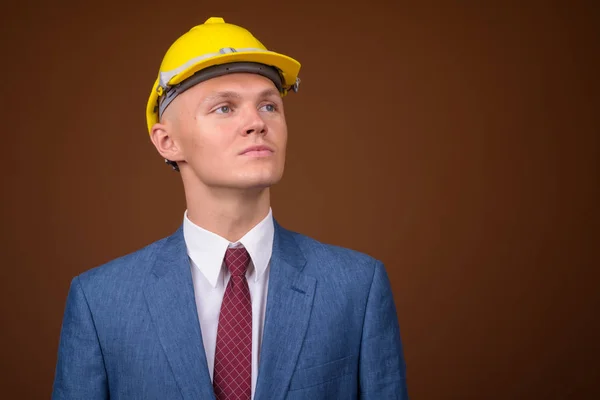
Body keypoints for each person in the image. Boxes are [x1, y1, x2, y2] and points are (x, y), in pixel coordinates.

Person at [52, 16, 409, 400]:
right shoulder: (100, 301)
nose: (256, 122)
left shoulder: (357, 288)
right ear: (167, 141)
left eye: (269, 105)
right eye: (224, 108)